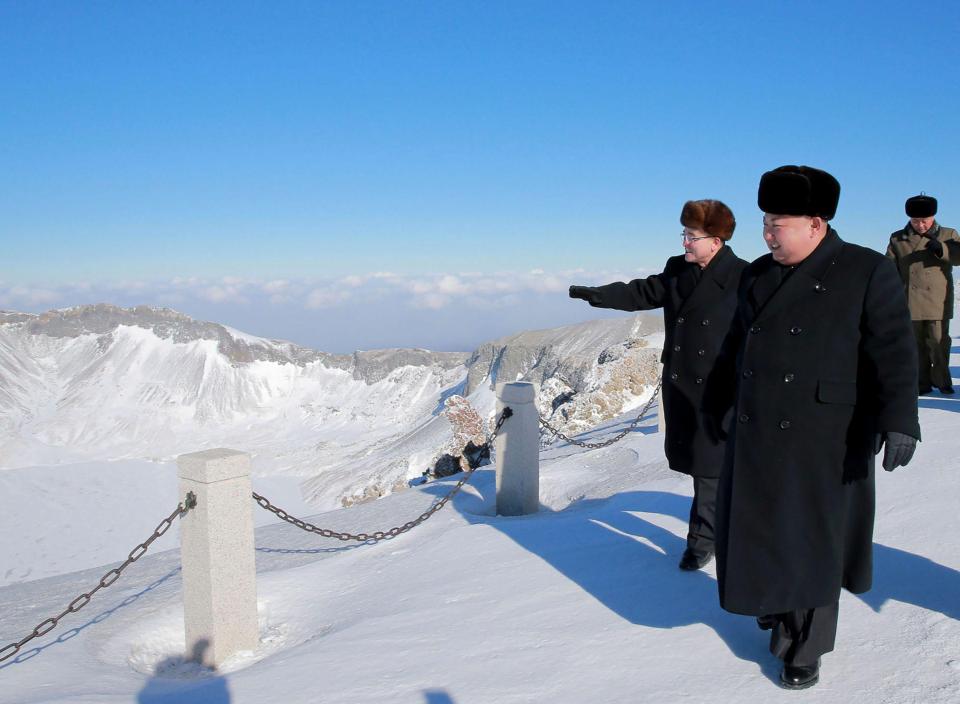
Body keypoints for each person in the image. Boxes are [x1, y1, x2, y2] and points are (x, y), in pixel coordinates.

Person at [703, 165, 920, 689]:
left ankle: (807, 647)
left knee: (812, 544)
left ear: (816, 223)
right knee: (763, 531)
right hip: (758, 430)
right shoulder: (756, 274)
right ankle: (774, 606)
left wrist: (899, 421)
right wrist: (716, 403)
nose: (767, 233)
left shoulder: (866, 269)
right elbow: (735, 347)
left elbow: (892, 350)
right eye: (765, 222)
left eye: (779, 222)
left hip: (828, 434)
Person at [569, 199, 747, 571]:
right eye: (684, 234)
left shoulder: (744, 277)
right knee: (704, 466)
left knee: (711, 468)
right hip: (684, 385)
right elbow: (643, 292)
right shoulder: (677, 270)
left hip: (722, 389)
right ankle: (712, 534)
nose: (685, 242)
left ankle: (703, 541)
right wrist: (599, 295)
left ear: (716, 240)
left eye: (692, 236)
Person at [885, 194, 960, 395]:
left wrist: (942, 249)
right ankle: (922, 383)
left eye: (924, 221)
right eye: (916, 221)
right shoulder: (898, 238)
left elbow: (959, 257)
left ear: (933, 216)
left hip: (938, 300)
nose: (920, 225)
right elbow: (889, 267)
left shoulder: (948, 234)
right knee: (915, 345)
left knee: (938, 342)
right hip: (909, 300)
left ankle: (943, 381)